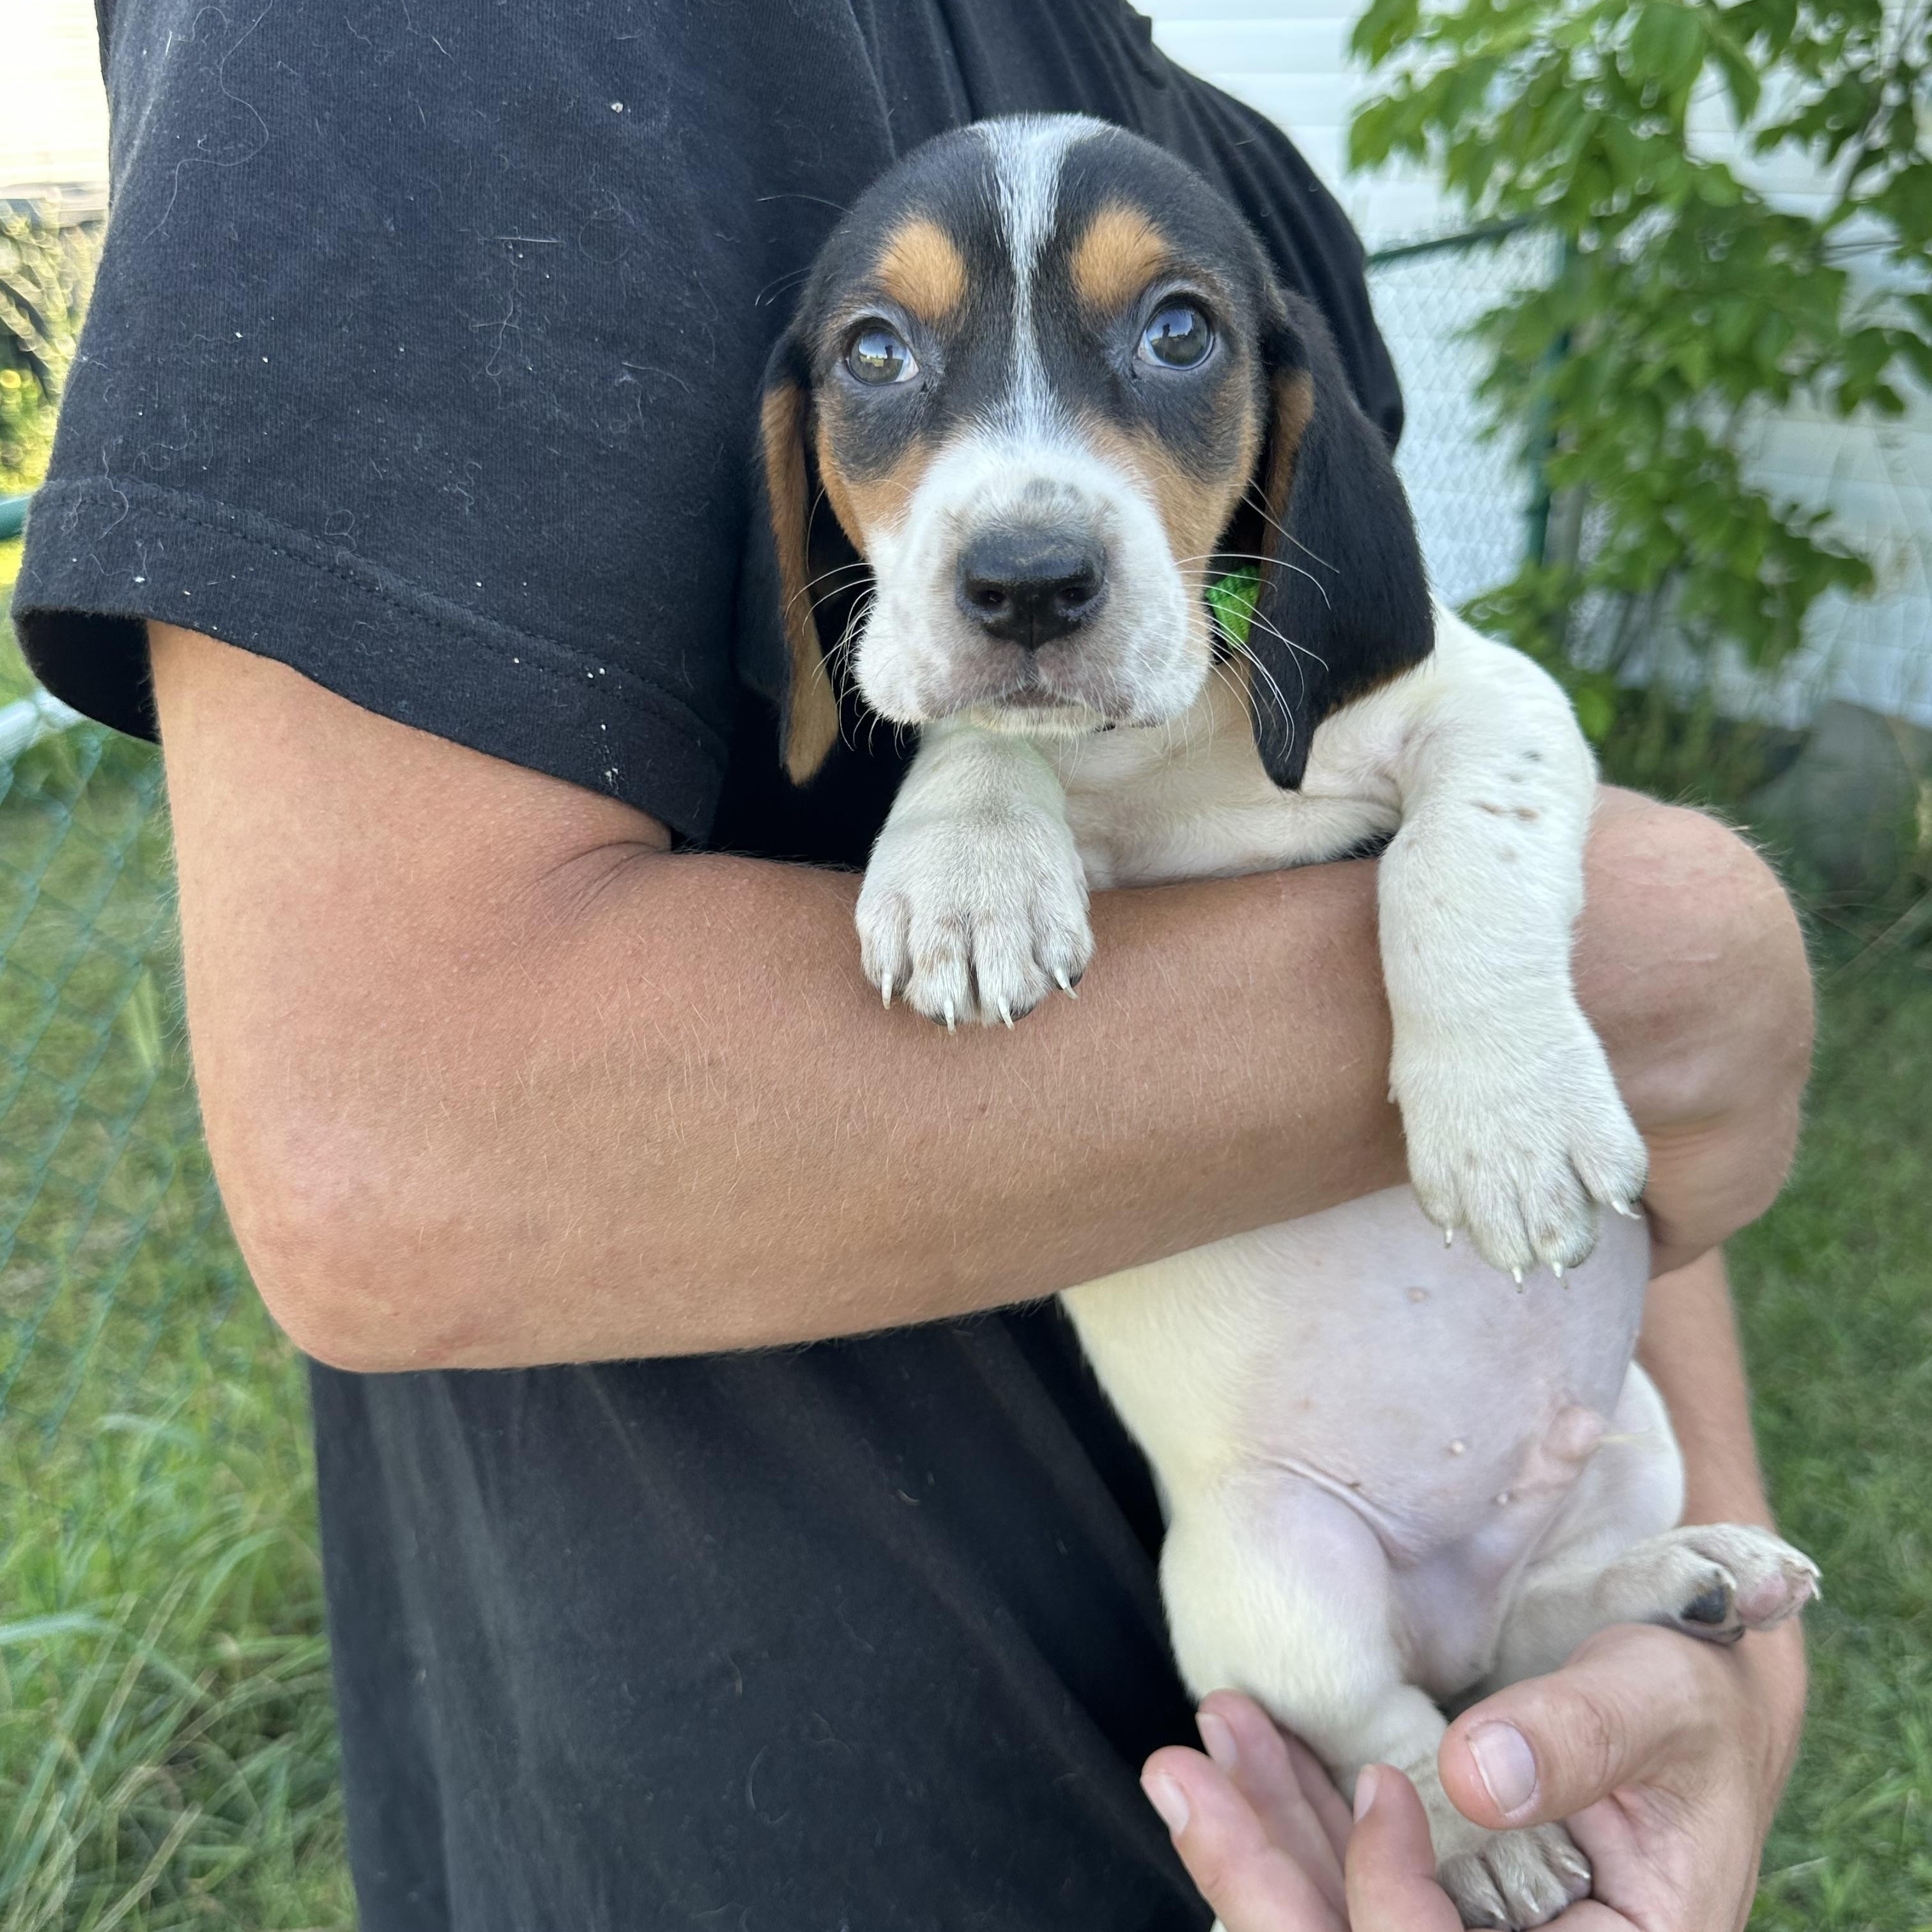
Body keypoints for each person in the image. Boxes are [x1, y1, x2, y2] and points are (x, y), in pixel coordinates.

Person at [13, 3, 1811, 1927]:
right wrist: (1654, 960)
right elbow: (384, 1153)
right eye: (888, 354)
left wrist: (1719, 1656)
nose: (1037, 513)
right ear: (797, 481)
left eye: (1172, 340)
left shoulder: (1251, 180)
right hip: (792, 1831)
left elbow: (1589, 1081)